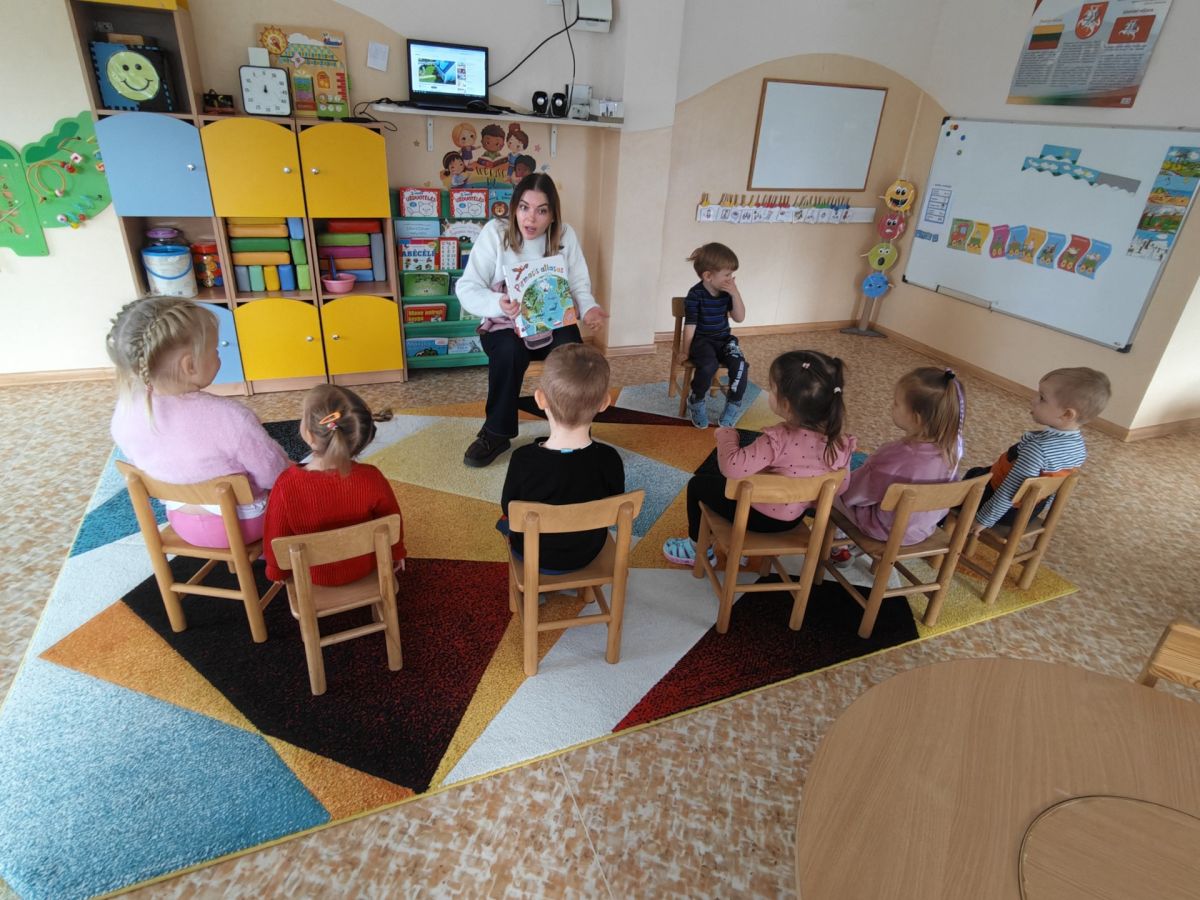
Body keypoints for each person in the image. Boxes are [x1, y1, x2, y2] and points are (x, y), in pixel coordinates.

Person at [107, 296, 289, 549]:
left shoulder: (126, 409)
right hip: (246, 525)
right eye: (214, 350)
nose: (217, 354)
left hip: (181, 521)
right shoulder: (230, 417)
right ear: (189, 365)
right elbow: (274, 475)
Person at [456, 172, 608, 467]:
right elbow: (467, 286)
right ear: (514, 207)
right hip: (506, 322)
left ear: (552, 215)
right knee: (508, 352)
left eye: (542, 210)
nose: (531, 218)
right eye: (524, 207)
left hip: (551, 320)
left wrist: (589, 307)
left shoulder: (564, 235)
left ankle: (574, 428)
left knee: (573, 355)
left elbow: (578, 283)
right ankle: (496, 432)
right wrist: (497, 303)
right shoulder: (496, 233)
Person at [662, 349, 856, 565]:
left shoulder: (778, 439)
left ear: (786, 404)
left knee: (698, 485)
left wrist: (726, 435)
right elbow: (840, 487)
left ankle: (696, 549)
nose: (769, 393)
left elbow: (732, 467)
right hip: (794, 519)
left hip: (757, 518)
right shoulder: (840, 443)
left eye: (772, 389)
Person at [499, 344, 624, 572]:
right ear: (605, 403)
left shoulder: (523, 459)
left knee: (505, 522)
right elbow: (614, 505)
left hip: (532, 555)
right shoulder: (610, 458)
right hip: (588, 551)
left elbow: (509, 509)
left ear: (540, 399)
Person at [263, 384, 405, 586]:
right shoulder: (372, 477)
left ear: (309, 435)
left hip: (311, 576)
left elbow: (275, 537)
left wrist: (276, 572)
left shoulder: (286, 485)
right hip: (365, 567)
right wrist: (396, 552)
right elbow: (392, 521)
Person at [836, 368, 966, 551]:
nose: (892, 406)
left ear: (916, 418)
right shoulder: (953, 451)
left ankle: (836, 544)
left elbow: (852, 493)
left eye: (896, 404)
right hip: (921, 530)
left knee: (830, 486)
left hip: (881, 529)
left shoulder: (894, 455)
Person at [969, 366, 1110, 532]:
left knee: (972, 476)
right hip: (1031, 510)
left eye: (1042, 398)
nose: (1033, 400)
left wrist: (983, 519)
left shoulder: (1037, 450)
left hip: (1005, 509)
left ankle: (945, 522)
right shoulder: (1079, 448)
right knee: (983, 473)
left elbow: (1011, 489)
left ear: (1066, 414)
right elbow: (1053, 484)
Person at [681, 242, 749, 429]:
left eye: (732, 275)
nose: (731, 279)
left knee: (740, 365)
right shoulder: (695, 294)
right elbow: (690, 325)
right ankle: (696, 400)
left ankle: (733, 403)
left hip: (725, 340)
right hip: (702, 342)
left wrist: (735, 294)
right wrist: (685, 351)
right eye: (727, 275)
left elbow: (739, 318)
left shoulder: (727, 293)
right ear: (708, 276)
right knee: (708, 366)